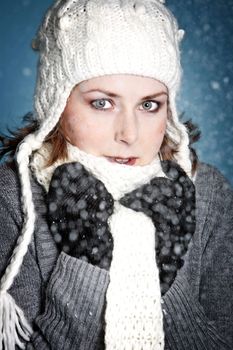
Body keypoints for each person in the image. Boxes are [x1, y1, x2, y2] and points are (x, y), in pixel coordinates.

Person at [0, 0, 232, 349]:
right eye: (102, 103)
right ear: (57, 105)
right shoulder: (12, 197)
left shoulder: (208, 191)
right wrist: (83, 263)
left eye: (149, 105)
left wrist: (164, 273)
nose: (129, 134)